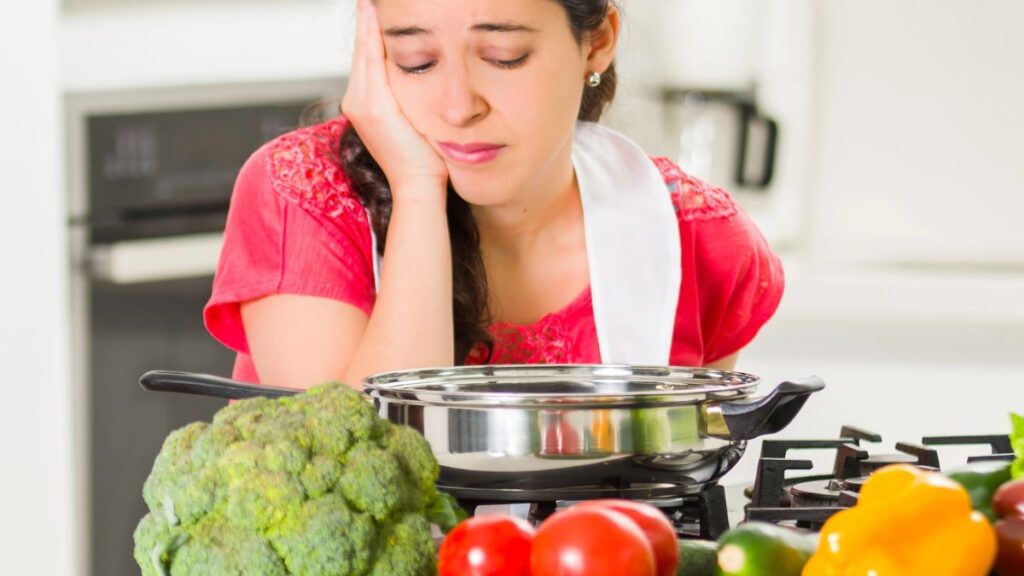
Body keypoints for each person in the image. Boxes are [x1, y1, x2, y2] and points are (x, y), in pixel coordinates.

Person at [203, 0, 784, 390]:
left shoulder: (694, 240)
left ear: (597, 42)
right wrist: (417, 191)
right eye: (416, 61)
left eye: (504, 57)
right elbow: (354, 477)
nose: (459, 107)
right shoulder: (302, 196)